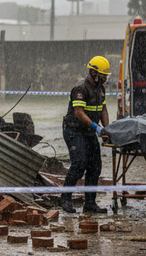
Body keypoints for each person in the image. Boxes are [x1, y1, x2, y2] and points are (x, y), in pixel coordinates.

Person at [60, 56, 110, 214]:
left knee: (95, 166)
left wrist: (107, 129)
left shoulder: (100, 89)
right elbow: (79, 112)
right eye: (103, 75)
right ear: (93, 73)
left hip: (89, 131)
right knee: (79, 163)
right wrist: (96, 127)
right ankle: (66, 199)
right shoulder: (80, 89)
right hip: (74, 130)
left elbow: (103, 109)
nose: (105, 78)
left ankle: (90, 203)